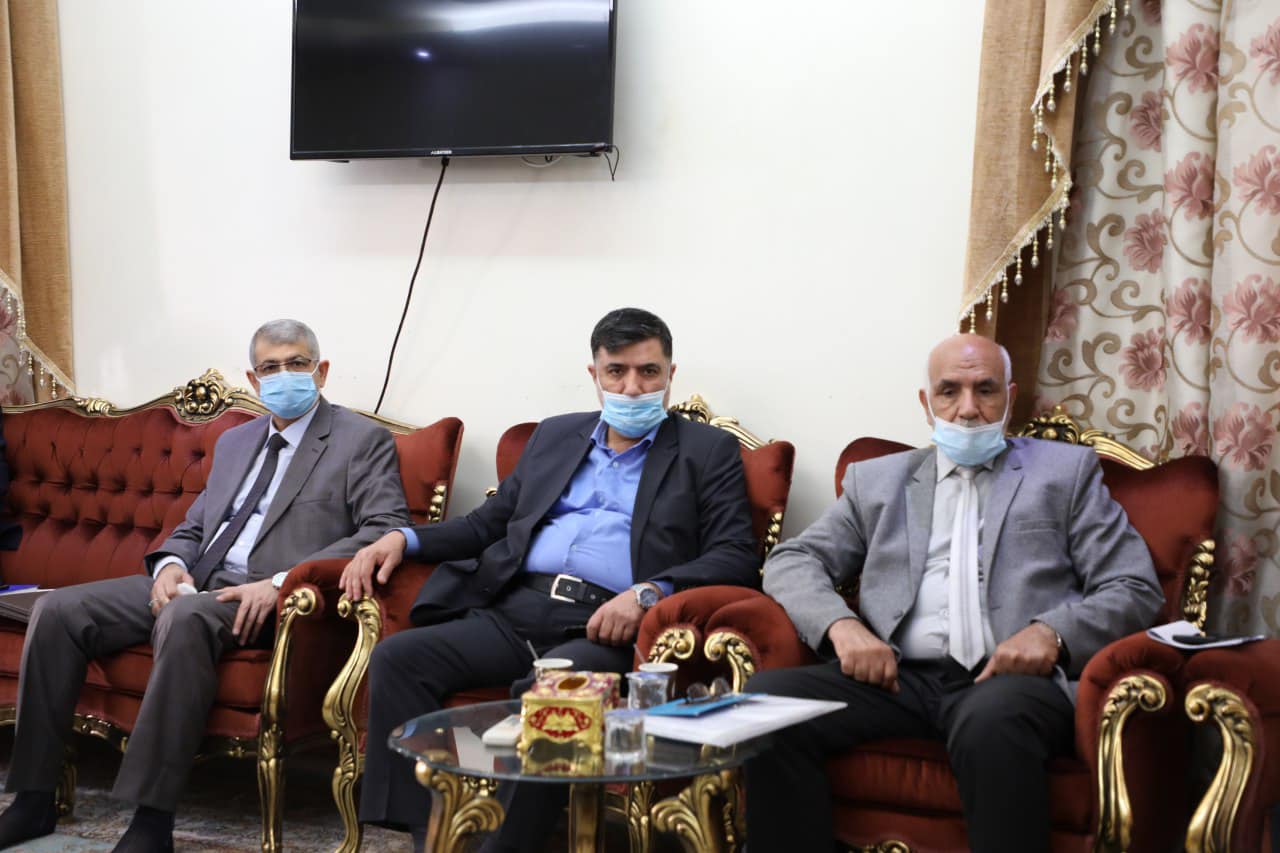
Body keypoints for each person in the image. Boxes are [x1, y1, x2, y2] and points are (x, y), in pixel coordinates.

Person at [344, 307, 758, 849]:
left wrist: (647, 594)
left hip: (603, 626)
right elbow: (488, 524)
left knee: (551, 696)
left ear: (670, 374)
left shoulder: (706, 451)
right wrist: (403, 539)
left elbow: (735, 554)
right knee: (400, 657)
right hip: (515, 607)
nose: (633, 387)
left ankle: (505, 847)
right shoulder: (556, 435)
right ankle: (431, 833)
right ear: (595, 375)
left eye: (649, 372)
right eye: (616, 372)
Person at [0, 319, 409, 852]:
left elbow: (384, 528)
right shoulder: (236, 441)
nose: (283, 375)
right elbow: (196, 526)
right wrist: (170, 565)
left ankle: (151, 823)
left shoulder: (361, 441)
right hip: (200, 581)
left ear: (321, 371)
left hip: (270, 599)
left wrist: (283, 583)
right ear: (253, 379)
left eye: (296, 363)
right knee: (58, 610)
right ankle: (33, 799)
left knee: (183, 615)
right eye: (269, 368)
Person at [744, 333, 1163, 853]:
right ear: (926, 404)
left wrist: (1052, 634)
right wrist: (842, 627)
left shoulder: (1065, 474)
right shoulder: (876, 481)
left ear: (1010, 397)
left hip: (1008, 680)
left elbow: (1133, 586)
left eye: (985, 389)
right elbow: (792, 560)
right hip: (898, 679)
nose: (967, 409)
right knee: (767, 703)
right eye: (949, 391)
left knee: (991, 722)